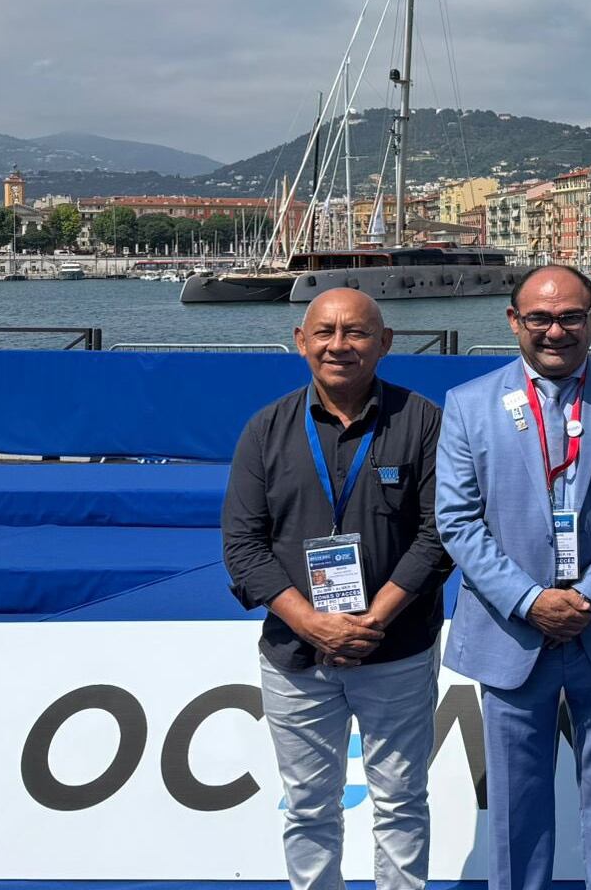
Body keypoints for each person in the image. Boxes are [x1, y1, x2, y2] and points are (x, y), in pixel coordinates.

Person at [435, 265, 591, 890]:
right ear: (514, 322)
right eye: (539, 317)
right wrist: (529, 599)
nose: (555, 330)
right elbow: (457, 522)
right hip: (513, 637)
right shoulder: (468, 406)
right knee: (517, 811)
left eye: (571, 316)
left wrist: (588, 596)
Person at [221, 289, 451, 890]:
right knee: (308, 809)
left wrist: (371, 619)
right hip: (298, 657)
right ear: (301, 342)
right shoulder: (265, 430)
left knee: (401, 804)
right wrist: (312, 622)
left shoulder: (423, 422)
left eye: (356, 332)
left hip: (397, 651)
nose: (339, 345)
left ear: (385, 342)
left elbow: (440, 536)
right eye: (325, 332)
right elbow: (243, 549)